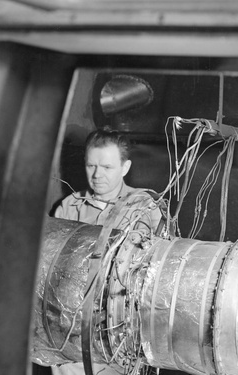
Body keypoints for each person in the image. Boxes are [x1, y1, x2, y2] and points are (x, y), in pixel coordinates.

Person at [50, 129, 165, 375]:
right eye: (91, 165)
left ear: (125, 168)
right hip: (73, 336)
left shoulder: (144, 209)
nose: (97, 175)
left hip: (122, 335)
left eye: (107, 167)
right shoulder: (69, 208)